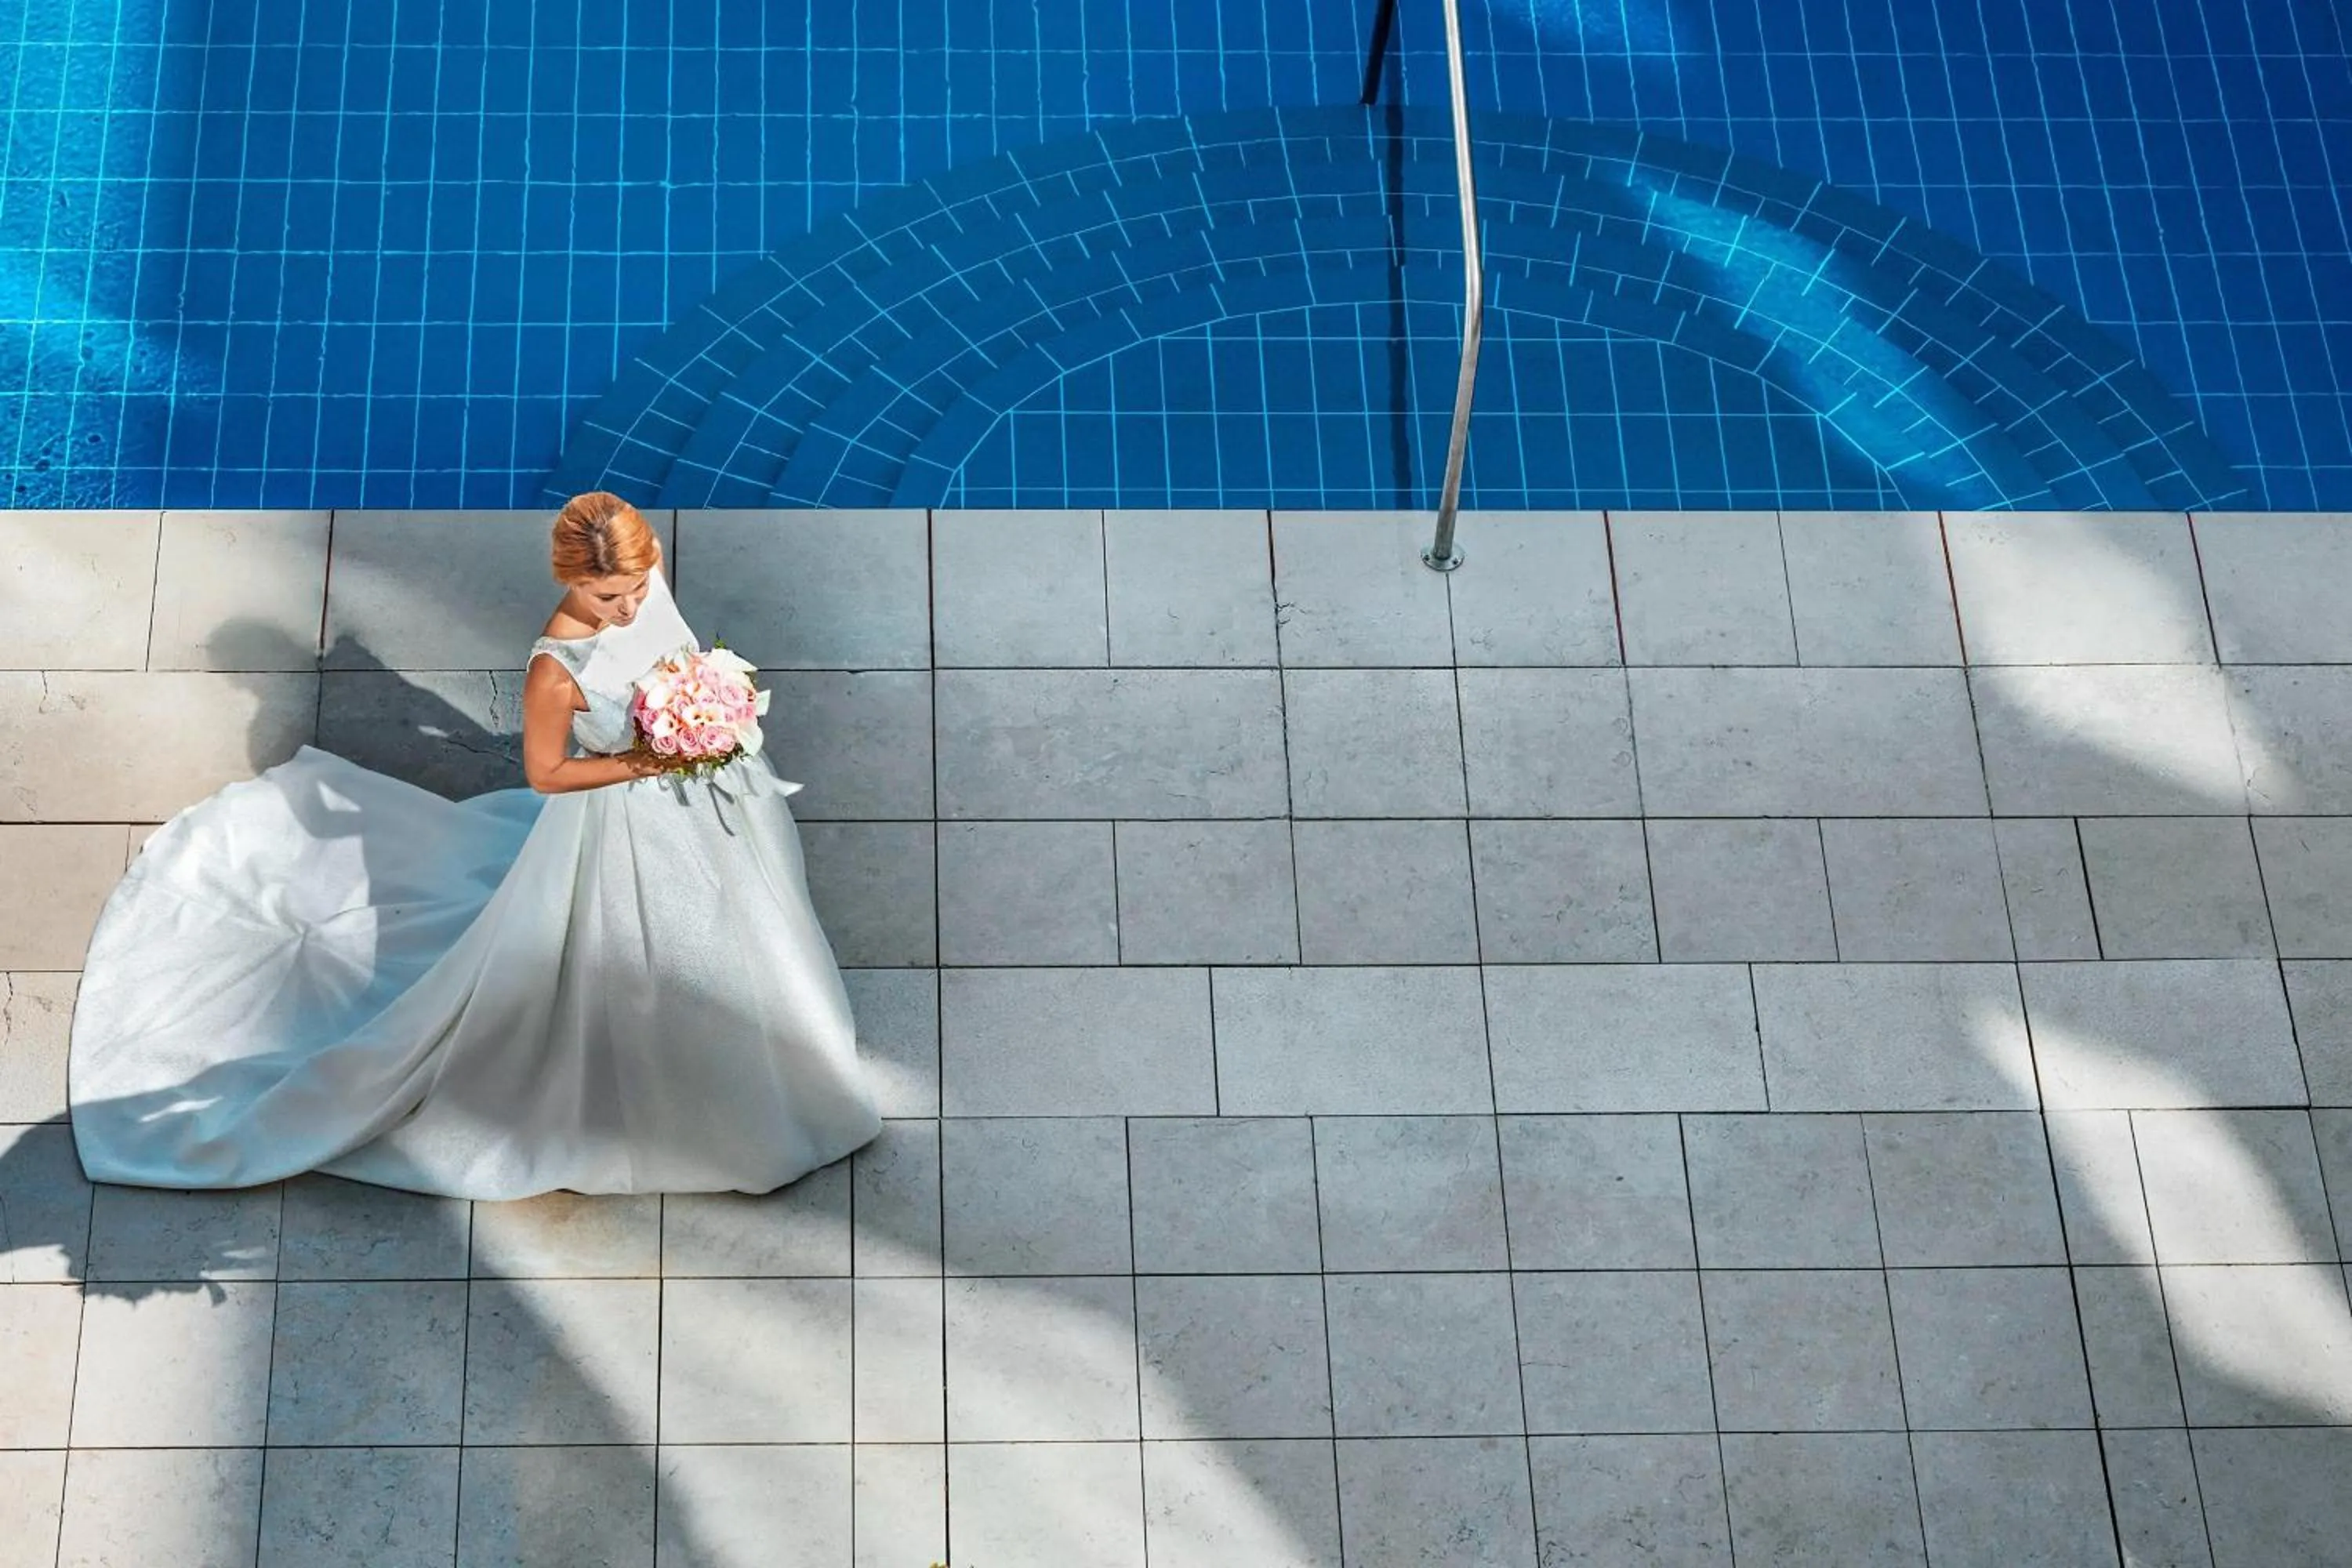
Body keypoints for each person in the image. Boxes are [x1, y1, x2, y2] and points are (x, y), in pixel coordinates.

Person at [68, 492, 881, 1199]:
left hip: (707, 785)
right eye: (608, 595)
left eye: (637, 587)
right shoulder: (555, 668)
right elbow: (548, 774)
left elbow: (671, 650)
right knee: (657, 945)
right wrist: (654, 759)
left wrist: (714, 706)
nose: (629, 607)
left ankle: (777, 1046)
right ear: (570, 578)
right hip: (627, 817)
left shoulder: (643, 580)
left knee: (749, 918)